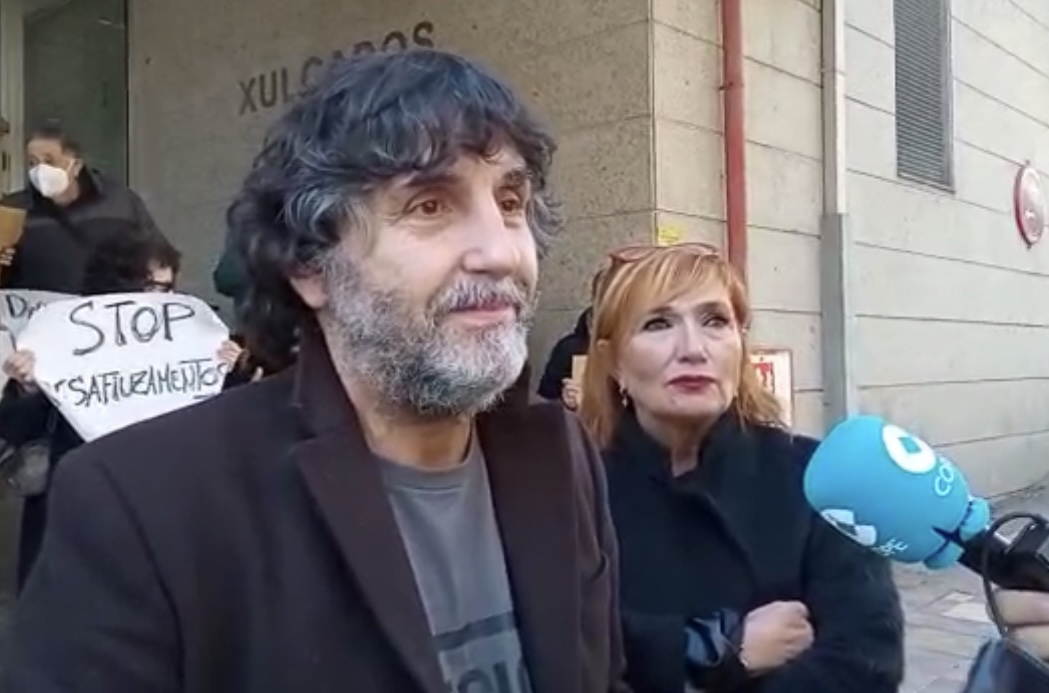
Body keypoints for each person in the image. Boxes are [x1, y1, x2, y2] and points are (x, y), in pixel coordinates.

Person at [5, 50, 627, 692]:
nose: (501, 251)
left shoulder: (562, 451)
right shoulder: (139, 505)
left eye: (511, 201)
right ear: (310, 265)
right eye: (429, 205)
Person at [578, 243, 904, 692]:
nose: (694, 349)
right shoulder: (576, 491)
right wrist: (725, 648)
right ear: (613, 361)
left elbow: (867, 663)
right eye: (658, 323)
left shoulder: (816, 480)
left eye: (715, 321)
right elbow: (576, 659)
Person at [0, 225, 247, 591]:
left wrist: (233, 371)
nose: (165, 299)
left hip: (160, 512)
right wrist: (29, 386)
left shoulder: (192, 334)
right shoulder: (60, 338)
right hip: (84, 512)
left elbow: (225, 424)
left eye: (169, 287)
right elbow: (16, 428)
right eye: (155, 287)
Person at [0, 122, 160, 293]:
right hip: (38, 307)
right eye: (32, 163)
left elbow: (156, 259)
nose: (40, 170)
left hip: (107, 306)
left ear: (75, 166)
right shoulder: (12, 210)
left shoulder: (121, 203)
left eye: (49, 161)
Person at [536, 269, 605, 406]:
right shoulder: (569, 348)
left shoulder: (639, 344)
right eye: (604, 295)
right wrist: (565, 397)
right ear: (594, 297)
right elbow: (547, 395)